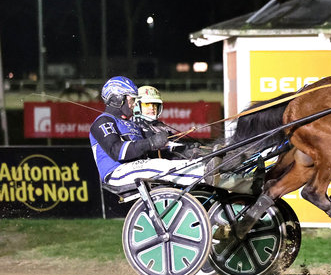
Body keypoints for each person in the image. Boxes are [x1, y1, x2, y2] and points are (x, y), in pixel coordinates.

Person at [89, 76, 229, 191]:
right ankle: (208, 174)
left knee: (176, 164)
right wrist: (151, 142)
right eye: (132, 99)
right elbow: (116, 151)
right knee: (160, 166)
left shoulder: (131, 124)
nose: (133, 104)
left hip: (136, 167)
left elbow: (153, 147)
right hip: (116, 172)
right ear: (118, 99)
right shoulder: (103, 122)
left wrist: (187, 150)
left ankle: (217, 172)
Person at [133, 85, 200, 159]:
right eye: (147, 104)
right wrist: (181, 151)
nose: (152, 108)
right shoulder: (134, 125)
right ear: (137, 106)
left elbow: (173, 141)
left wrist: (188, 146)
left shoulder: (159, 126)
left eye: (155, 105)